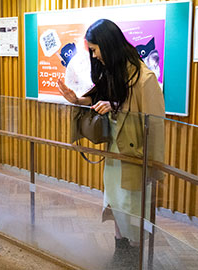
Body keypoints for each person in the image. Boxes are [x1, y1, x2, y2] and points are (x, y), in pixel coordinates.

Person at [57, 19, 165, 254]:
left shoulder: (145, 79)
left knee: (132, 207)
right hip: (115, 151)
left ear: (108, 45)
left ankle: (133, 257)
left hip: (135, 156)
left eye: (95, 50)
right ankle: (120, 251)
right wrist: (77, 100)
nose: (94, 56)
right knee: (115, 202)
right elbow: (102, 99)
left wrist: (154, 167)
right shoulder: (114, 72)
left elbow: (154, 125)